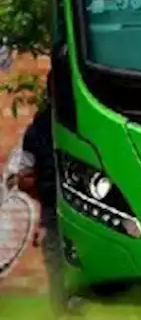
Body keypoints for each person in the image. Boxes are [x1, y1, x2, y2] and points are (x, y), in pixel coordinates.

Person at [16, 76, 63, 307]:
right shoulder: (38, 129)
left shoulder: (37, 128)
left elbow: (24, 178)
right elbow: (24, 178)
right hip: (57, 208)